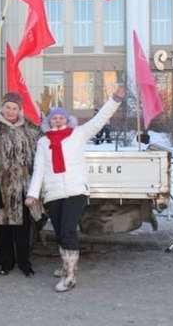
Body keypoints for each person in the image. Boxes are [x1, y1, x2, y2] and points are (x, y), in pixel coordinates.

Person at [25, 86, 125, 292]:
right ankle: (65, 266)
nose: (58, 121)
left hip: (75, 192)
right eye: (54, 118)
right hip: (53, 194)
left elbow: (99, 120)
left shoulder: (78, 134)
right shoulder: (43, 142)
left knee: (68, 231)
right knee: (60, 232)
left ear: (67, 119)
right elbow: (39, 169)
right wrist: (33, 194)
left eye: (61, 117)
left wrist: (114, 100)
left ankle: (70, 276)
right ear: (49, 121)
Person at [0, 92, 41, 277]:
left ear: (20, 109)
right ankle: (6, 263)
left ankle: (25, 263)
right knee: (2, 227)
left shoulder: (29, 127)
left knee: (23, 227)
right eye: (7, 107)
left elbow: (46, 143)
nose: (10, 111)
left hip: (23, 186)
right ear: (2, 107)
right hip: (0, 185)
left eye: (14, 108)